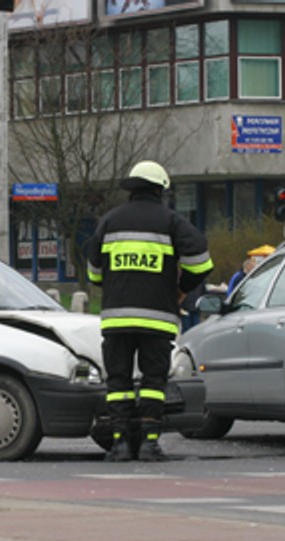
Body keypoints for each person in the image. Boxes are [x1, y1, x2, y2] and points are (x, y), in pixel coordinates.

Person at [87, 160, 213, 462]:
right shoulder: (171, 222)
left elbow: (93, 273)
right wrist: (182, 287)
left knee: (118, 381)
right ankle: (148, 444)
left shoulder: (109, 221)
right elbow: (202, 261)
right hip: (157, 318)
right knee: (154, 382)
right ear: (161, 190)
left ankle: (119, 444)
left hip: (117, 318)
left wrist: (116, 284)